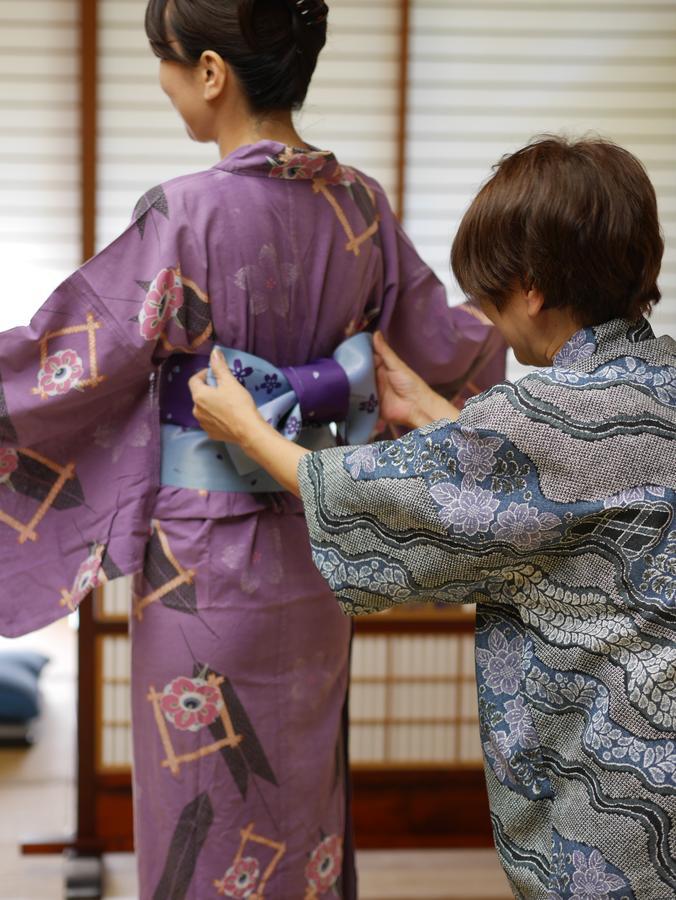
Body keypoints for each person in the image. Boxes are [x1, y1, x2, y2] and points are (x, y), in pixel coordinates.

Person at [0, 1, 505, 896]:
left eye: (164, 62)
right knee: (298, 788)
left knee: (202, 795)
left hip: (199, 561)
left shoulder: (181, 213)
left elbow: (72, 362)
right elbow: (441, 348)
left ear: (209, 72)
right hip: (317, 539)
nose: (160, 84)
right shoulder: (360, 204)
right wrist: (530, 323)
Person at [189, 136, 676, 899]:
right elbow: (562, 495)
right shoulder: (659, 384)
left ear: (533, 288)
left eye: (489, 298)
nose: (486, 320)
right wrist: (433, 413)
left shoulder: (541, 415)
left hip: (617, 796)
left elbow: (370, 496)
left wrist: (247, 430)